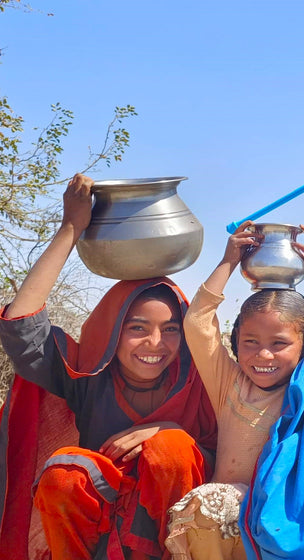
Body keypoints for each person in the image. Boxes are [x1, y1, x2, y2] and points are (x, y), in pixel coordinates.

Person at [0, 174, 218, 560]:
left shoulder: (200, 381)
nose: (156, 344)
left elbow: (229, 459)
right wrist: (71, 228)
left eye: (170, 330)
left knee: (171, 448)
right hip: (96, 536)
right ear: (112, 331)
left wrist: (169, 430)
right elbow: (20, 328)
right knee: (65, 472)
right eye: (137, 329)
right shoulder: (87, 376)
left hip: (181, 539)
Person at [165, 222, 304, 559]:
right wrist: (228, 261)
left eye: (279, 343)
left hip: (286, 521)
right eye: (250, 342)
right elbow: (197, 322)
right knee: (204, 505)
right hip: (230, 522)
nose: (263, 355)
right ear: (236, 341)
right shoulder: (231, 384)